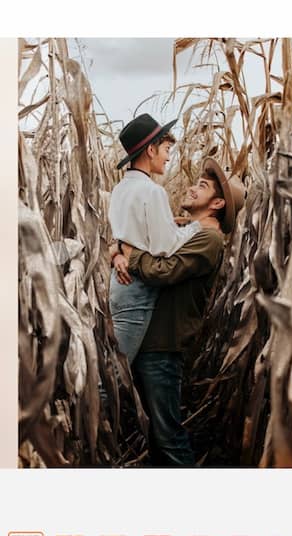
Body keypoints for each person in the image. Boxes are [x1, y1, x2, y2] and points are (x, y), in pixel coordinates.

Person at [112, 157, 245, 466]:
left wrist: (129, 255)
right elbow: (129, 240)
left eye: (202, 186)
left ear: (217, 204)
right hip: (149, 341)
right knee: (158, 435)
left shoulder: (209, 240)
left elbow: (164, 271)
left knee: (168, 435)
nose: (190, 187)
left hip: (163, 345)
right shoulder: (181, 230)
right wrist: (118, 251)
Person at [108, 113, 206, 365]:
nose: (168, 156)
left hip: (119, 283)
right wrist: (196, 228)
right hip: (137, 286)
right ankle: (91, 406)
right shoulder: (153, 191)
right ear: (151, 150)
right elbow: (166, 247)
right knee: (117, 372)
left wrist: (118, 251)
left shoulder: (119, 190)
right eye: (166, 149)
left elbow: (128, 234)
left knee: (118, 363)